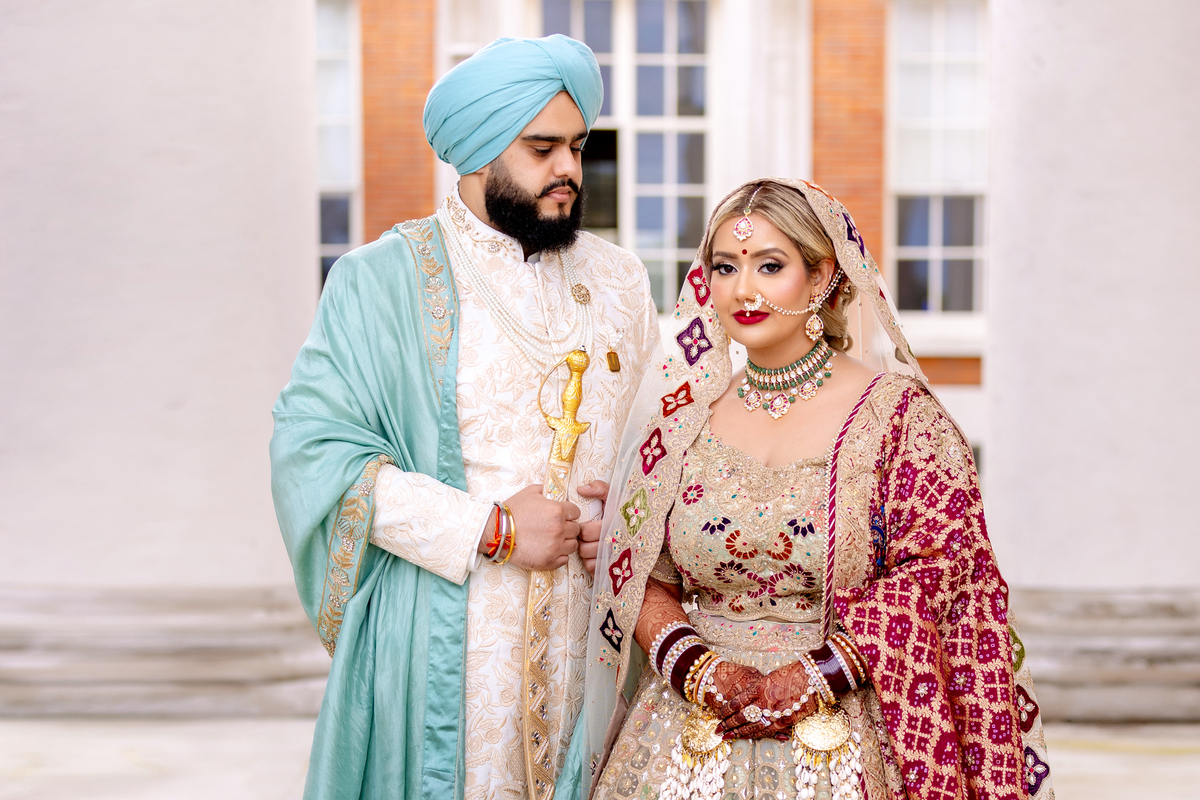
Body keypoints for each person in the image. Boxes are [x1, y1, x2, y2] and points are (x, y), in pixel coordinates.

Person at [569, 178, 1054, 800]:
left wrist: (819, 674)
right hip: (686, 734)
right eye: (724, 267)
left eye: (770, 266)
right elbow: (644, 574)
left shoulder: (899, 419)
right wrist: (698, 669)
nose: (743, 290)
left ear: (822, 276)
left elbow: (945, 573)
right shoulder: (679, 419)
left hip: (840, 735)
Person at [270, 35, 658, 800]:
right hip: (450, 645)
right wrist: (495, 530)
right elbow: (313, 452)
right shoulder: (380, 281)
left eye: (578, 147)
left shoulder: (620, 281)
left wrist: (632, 517)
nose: (569, 171)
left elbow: (664, 444)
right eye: (542, 147)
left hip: (598, 644)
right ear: (478, 152)